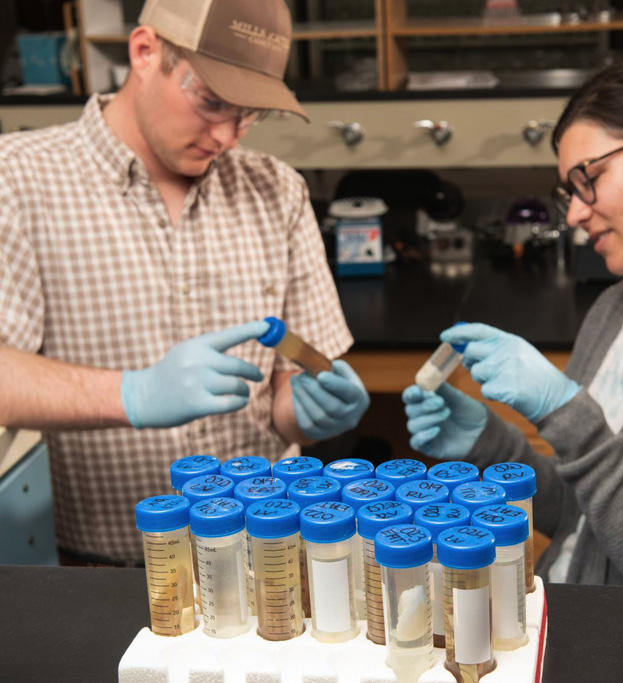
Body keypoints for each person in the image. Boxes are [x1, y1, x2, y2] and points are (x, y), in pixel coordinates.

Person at [0, 0, 369, 566]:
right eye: (212, 101)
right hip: (110, 565)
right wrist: (132, 394)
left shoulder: (278, 190)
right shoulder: (18, 180)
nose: (227, 135)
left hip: (269, 554)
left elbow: (287, 394)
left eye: (249, 115)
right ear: (145, 51)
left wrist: (312, 412)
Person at [403, 57, 623, 589]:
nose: (574, 216)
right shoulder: (616, 309)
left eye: (589, 177)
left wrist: (567, 412)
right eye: (570, 190)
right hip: (555, 620)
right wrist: (490, 444)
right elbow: (577, 517)